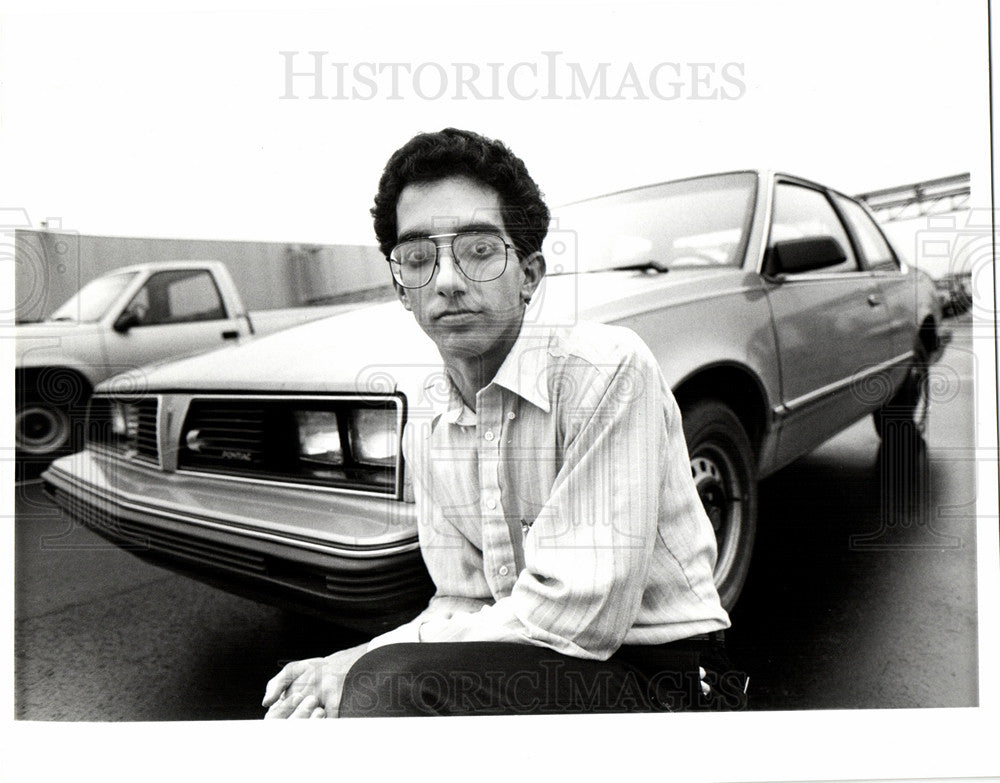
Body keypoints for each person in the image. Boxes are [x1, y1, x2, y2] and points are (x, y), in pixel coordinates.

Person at [262, 128, 747, 718]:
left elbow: (576, 615)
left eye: (480, 251)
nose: (445, 280)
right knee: (322, 704)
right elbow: (461, 601)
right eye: (417, 258)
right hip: (533, 657)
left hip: (666, 670)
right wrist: (353, 659)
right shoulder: (428, 416)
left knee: (386, 691)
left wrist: (367, 665)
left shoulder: (605, 371)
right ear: (401, 289)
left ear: (530, 275)